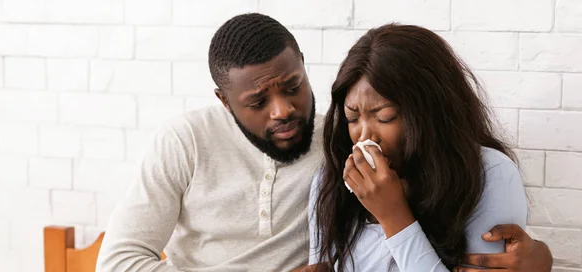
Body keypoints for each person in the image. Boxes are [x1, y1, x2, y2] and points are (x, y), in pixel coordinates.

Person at [96, 13, 552, 272]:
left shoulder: (333, 150)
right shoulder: (185, 142)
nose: (283, 111)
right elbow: (117, 262)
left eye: (293, 86)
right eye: (258, 101)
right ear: (225, 101)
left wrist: (543, 261)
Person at [306, 23, 537, 271]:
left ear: (429, 113)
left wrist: (393, 215)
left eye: (385, 117)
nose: (364, 137)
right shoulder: (331, 179)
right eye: (352, 118)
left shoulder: (490, 174)